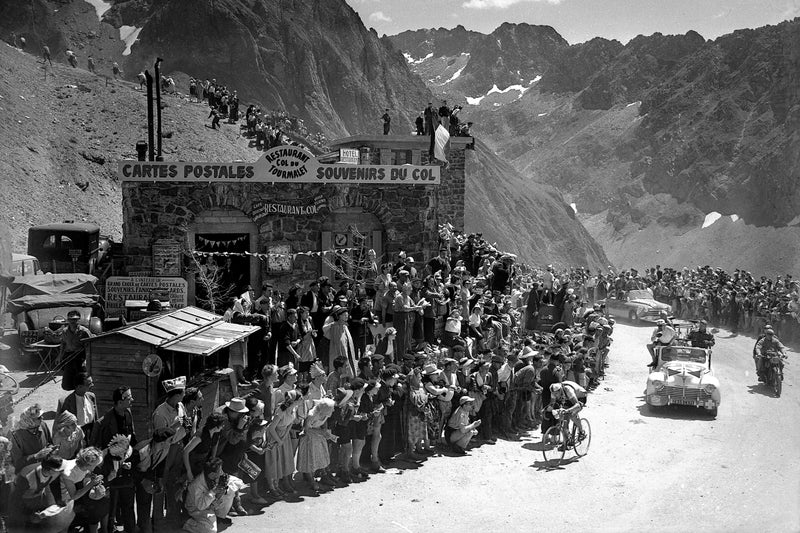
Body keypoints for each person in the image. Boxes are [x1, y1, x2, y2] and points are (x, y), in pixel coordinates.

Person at [183, 457, 240, 533]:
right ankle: (188, 523)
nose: (221, 472)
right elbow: (201, 506)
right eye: (219, 470)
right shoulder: (197, 485)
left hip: (210, 504)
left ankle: (218, 517)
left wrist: (223, 490)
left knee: (230, 491)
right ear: (213, 474)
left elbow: (238, 482)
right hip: (196, 509)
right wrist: (213, 492)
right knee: (210, 531)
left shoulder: (214, 476)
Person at [296, 398, 337, 492]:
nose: (333, 410)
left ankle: (324, 477)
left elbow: (325, 421)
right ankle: (311, 480)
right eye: (331, 408)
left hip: (319, 436)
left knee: (321, 457)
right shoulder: (312, 415)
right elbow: (306, 429)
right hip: (309, 437)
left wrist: (325, 431)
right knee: (310, 459)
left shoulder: (325, 413)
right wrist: (321, 432)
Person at [10, 404, 55, 472]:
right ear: (30, 421)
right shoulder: (16, 436)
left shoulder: (42, 425)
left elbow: (49, 442)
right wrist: (35, 456)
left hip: (45, 468)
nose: (42, 418)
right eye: (39, 418)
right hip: (27, 472)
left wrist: (51, 448)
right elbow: (17, 462)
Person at [56, 371, 98, 443]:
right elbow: (61, 425)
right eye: (89, 384)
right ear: (79, 386)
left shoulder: (91, 397)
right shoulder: (65, 402)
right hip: (75, 436)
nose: (92, 385)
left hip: (90, 434)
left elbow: (96, 418)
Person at [58, 309, 94, 391]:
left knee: (81, 380)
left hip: (80, 358)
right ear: (68, 320)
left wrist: (86, 360)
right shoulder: (65, 331)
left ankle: (80, 394)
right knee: (66, 385)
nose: (72, 322)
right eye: (70, 319)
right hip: (68, 357)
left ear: (79, 320)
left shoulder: (84, 331)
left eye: (75, 319)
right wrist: (60, 356)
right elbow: (63, 344)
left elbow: (90, 345)